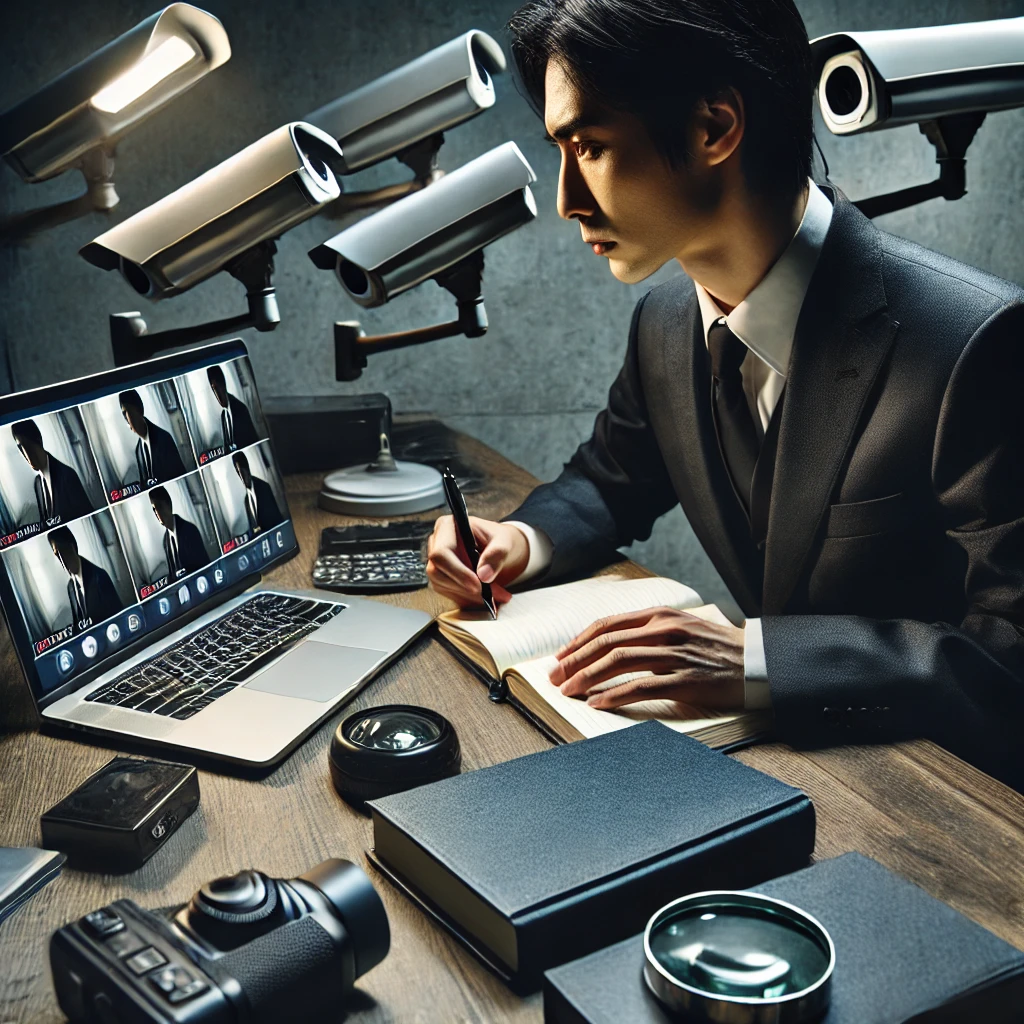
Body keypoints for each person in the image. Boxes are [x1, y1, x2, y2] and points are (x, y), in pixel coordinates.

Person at [426, 0, 1024, 789]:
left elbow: (1008, 657)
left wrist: (761, 658)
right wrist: (518, 543)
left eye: (592, 147)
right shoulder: (666, 320)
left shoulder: (979, 343)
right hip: (774, 775)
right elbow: (610, 479)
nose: (568, 198)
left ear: (714, 128)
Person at [11, 419, 93, 524]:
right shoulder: (37, 483)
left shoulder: (67, 475)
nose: (26, 455)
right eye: (20, 447)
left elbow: (87, 515)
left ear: (38, 440)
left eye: (28, 445)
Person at [48, 526, 122, 628]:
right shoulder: (70, 587)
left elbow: (120, 617)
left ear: (72, 546)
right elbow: (78, 625)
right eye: (57, 554)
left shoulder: (99, 577)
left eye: (63, 551)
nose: (62, 560)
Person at [119, 390, 187, 487]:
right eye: (123, 414)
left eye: (127, 412)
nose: (126, 419)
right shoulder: (138, 450)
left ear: (139, 410)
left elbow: (180, 478)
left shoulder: (164, 438)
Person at [149, 486, 210, 578]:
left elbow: (203, 566)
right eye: (154, 509)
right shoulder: (165, 541)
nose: (157, 513)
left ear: (169, 504)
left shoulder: (189, 530)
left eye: (160, 507)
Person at [207, 365, 259, 452]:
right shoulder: (214, 413)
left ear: (222, 384)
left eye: (215, 387)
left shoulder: (240, 410)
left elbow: (252, 444)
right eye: (212, 388)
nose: (214, 392)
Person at [232, 452, 282, 534]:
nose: (241, 476)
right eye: (238, 472)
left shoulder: (264, 487)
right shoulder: (246, 501)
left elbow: (277, 520)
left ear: (247, 468)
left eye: (242, 470)